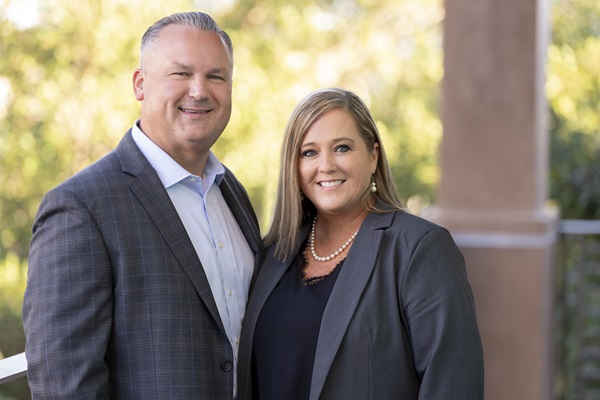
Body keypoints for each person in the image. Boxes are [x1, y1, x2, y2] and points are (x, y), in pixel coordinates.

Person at [22, 12, 263, 399]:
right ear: (140, 84)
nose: (199, 91)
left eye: (215, 76)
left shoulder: (231, 192)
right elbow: (64, 387)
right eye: (181, 74)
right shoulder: (80, 207)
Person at [237, 88, 484, 399]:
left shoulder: (419, 249)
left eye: (342, 148)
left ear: (373, 156)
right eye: (309, 152)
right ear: (294, 168)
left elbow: (452, 386)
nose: (326, 165)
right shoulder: (274, 252)